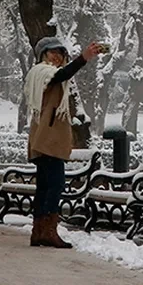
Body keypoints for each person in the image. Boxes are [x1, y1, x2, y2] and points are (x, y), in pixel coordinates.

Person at [24, 37, 103, 248]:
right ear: (42, 55)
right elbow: (63, 74)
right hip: (48, 138)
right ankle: (48, 231)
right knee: (55, 184)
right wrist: (83, 58)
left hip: (45, 136)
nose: (57, 56)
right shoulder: (44, 72)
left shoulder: (43, 75)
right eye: (52, 52)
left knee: (45, 185)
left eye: (60, 53)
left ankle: (39, 231)